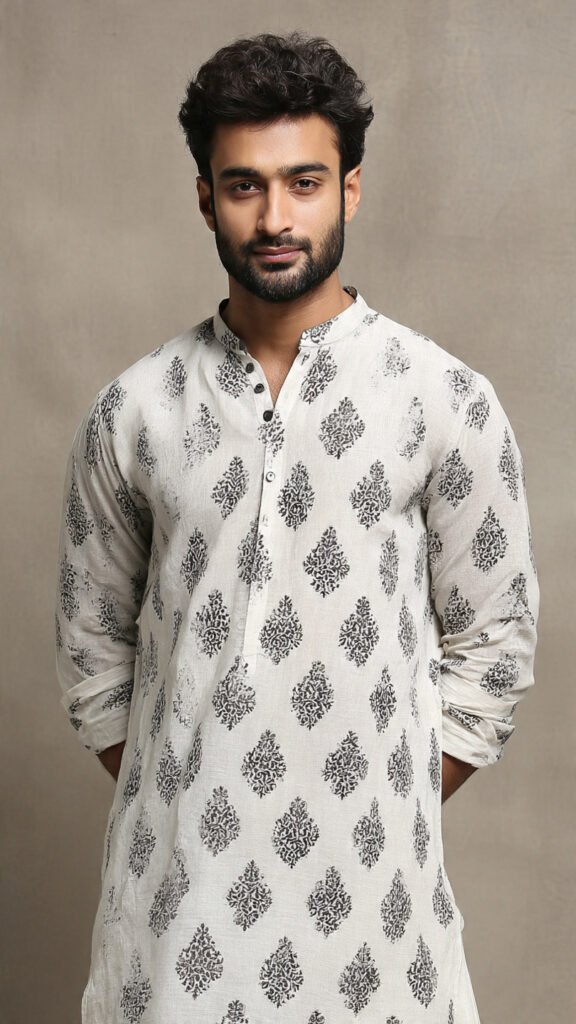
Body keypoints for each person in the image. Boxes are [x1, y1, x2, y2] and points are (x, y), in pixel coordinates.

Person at [54, 30, 539, 1024]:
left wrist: (372, 802)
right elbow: (92, 656)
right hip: (175, 931)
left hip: (381, 923)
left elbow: (495, 651)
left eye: (304, 183)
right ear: (206, 199)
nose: (275, 217)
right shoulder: (135, 412)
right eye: (245, 186)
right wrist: (197, 794)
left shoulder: (442, 400)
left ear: (349, 189)